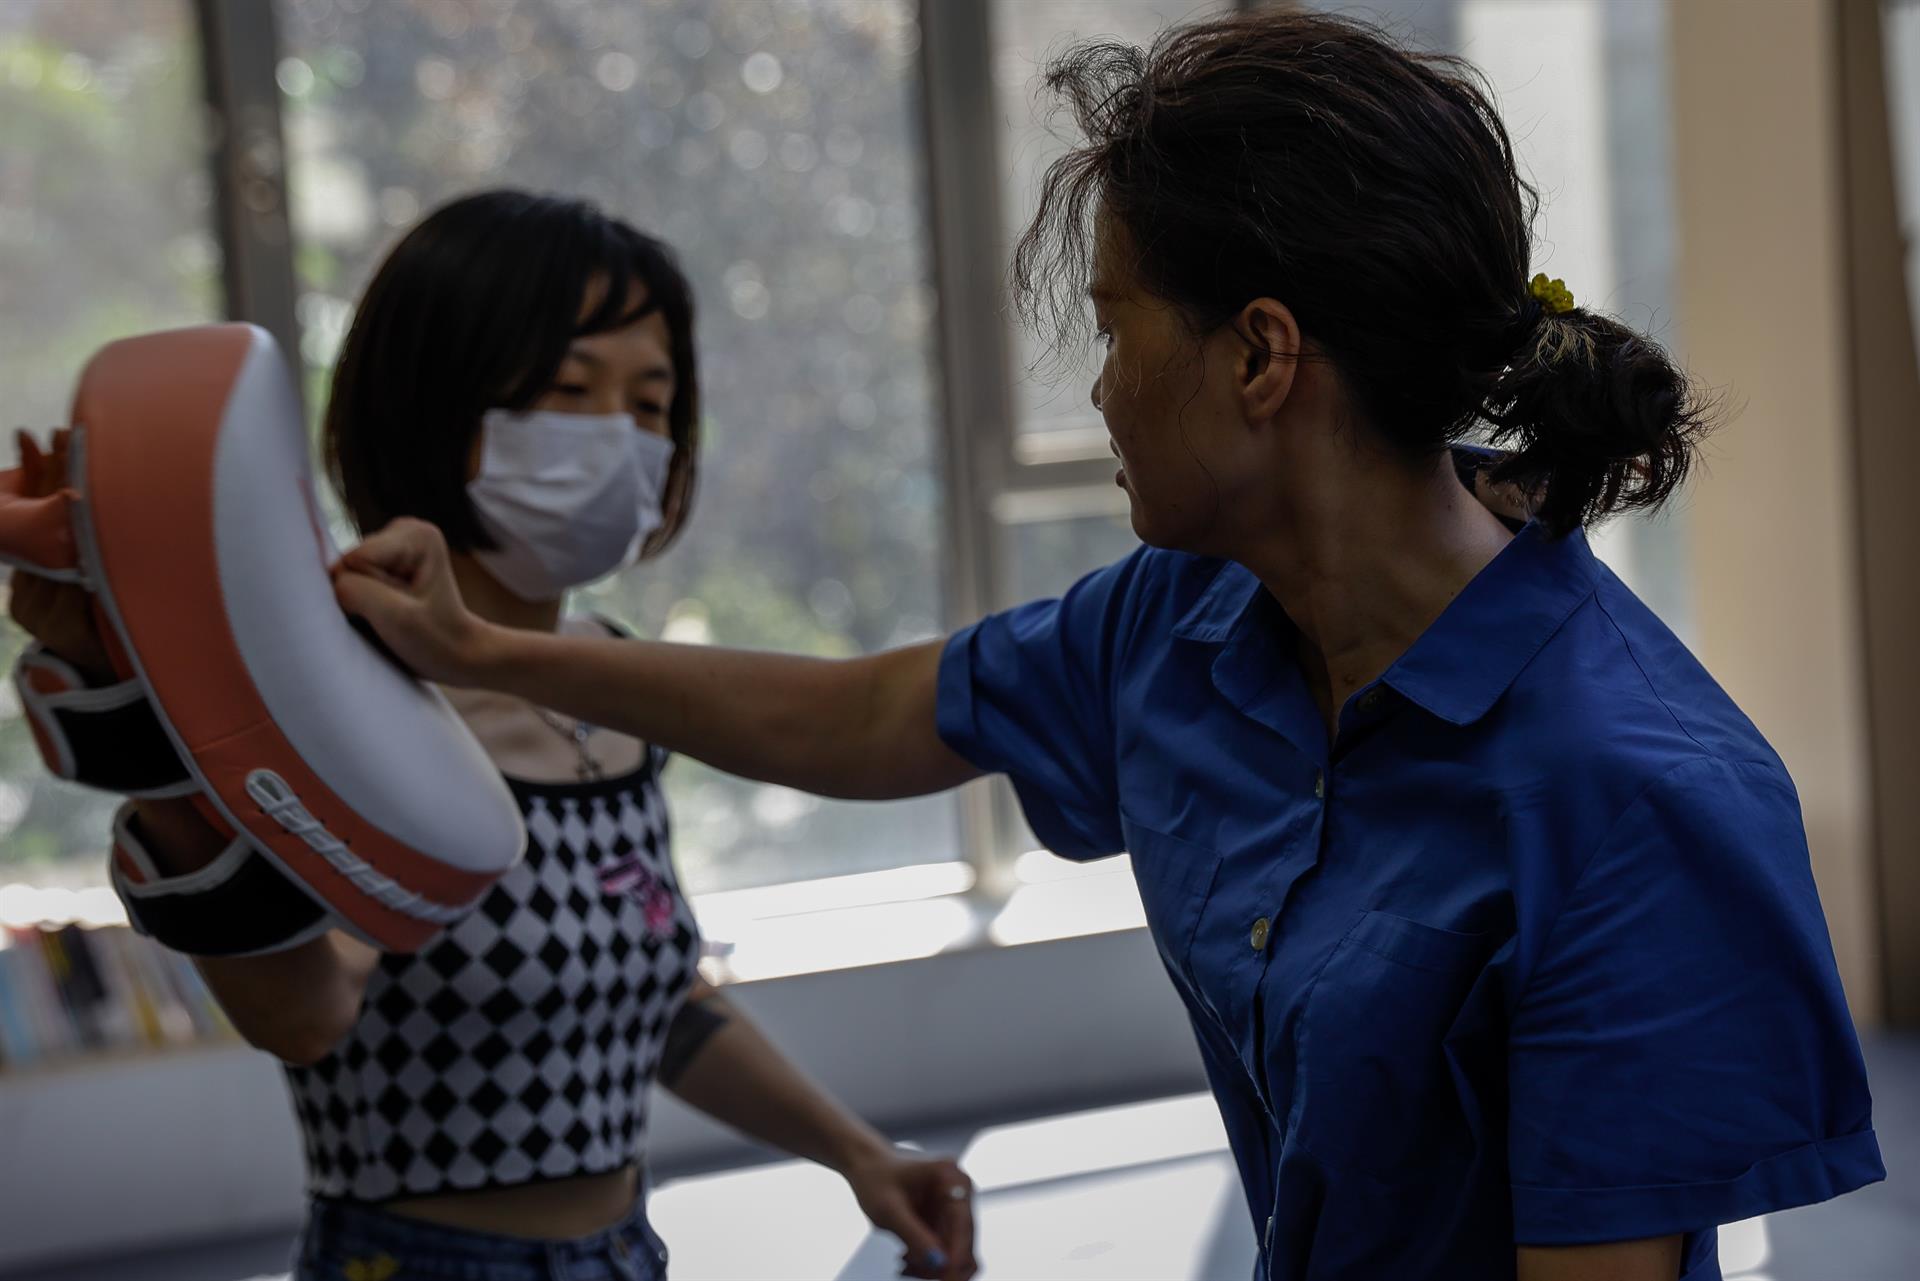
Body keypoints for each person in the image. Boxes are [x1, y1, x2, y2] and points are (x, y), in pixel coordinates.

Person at [333, 13, 1885, 1281]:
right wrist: (501, 655)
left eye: (1119, 323)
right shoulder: (1188, 618)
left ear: (1262, 357)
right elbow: (871, 715)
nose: (1099, 391)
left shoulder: (1633, 802)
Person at [8, 190, 977, 1281]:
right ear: (432, 404)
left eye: (651, 404)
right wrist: (146, 736)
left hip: (625, 1254)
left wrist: (858, 1156)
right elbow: (304, 1012)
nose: (620, 439)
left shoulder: (612, 684)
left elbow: (657, 1000)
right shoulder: (348, 688)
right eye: (569, 392)